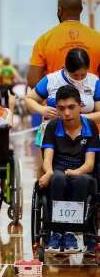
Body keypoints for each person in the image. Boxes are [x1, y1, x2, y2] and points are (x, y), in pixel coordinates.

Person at [39, 86, 99, 256]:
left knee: (82, 181)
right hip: (58, 168)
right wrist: (49, 172)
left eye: (71, 107)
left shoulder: (90, 126)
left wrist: (76, 172)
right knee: (57, 179)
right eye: (61, 108)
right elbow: (47, 159)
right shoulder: (52, 126)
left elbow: (90, 164)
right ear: (57, 108)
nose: (66, 113)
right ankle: (57, 232)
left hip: (82, 170)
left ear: (80, 106)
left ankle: (72, 233)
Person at [25, 48, 100, 154]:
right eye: (75, 75)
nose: (79, 79)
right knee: (50, 168)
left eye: (83, 75)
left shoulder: (94, 82)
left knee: (85, 169)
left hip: (84, 137)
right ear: (65, 68)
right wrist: (41, 109)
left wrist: (78, 118)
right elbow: (28, 99)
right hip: (53, 137)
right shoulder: (51, 80)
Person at [27, 0, 100, 88]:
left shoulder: (45, 40)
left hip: (57, 102)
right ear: (81, 9)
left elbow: (33, 80)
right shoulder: (97, 38)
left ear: (59, 10)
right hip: (91, 100)